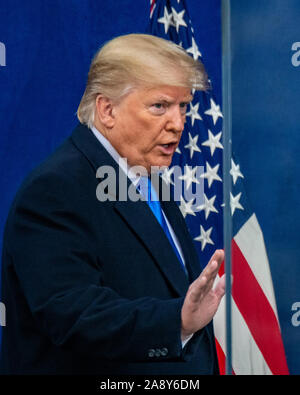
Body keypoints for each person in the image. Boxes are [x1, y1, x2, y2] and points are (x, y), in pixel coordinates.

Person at [0, 34, 225, 375]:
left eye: (183, 107)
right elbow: (75, 315)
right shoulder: (55, 190)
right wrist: (177, 321)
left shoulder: (146, 173)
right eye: (160, 106)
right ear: (107, 110)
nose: (178, 124)